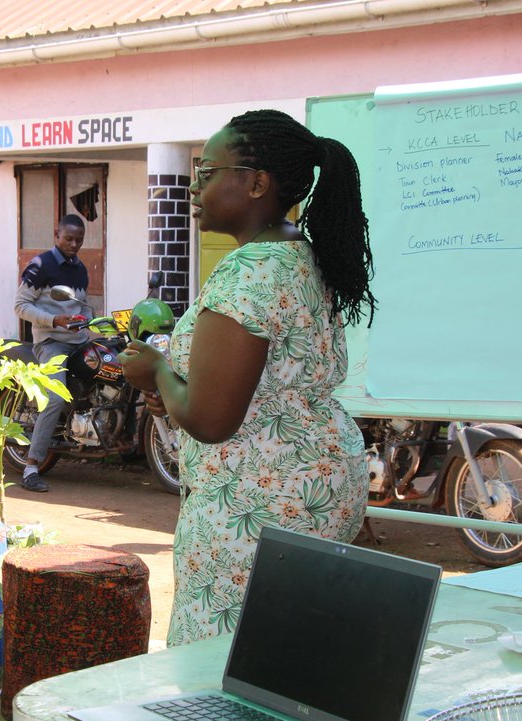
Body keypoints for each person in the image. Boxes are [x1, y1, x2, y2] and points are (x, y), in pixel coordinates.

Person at [119, 109, 377, 646]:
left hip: (258, 500)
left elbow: (212, 420)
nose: (193, 186)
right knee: (291, 652)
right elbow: (266, 386)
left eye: (207, 172)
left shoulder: (247, 272)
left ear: (257, 182)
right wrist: (172, 389)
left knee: (224, 659)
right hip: (314, 484)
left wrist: (157, 369)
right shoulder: (302, 258)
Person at [13, 213, 90, 492]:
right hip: (50, 343)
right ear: (56, 234)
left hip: (79, 340)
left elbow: (83, 306)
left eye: (79, 240)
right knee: (55, 397)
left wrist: (89, 320)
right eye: (69, 238)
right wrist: (54, 321)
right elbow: (21, 305)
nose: (74, 244)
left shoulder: (80, 269)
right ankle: (31, 467)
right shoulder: (40, 265)